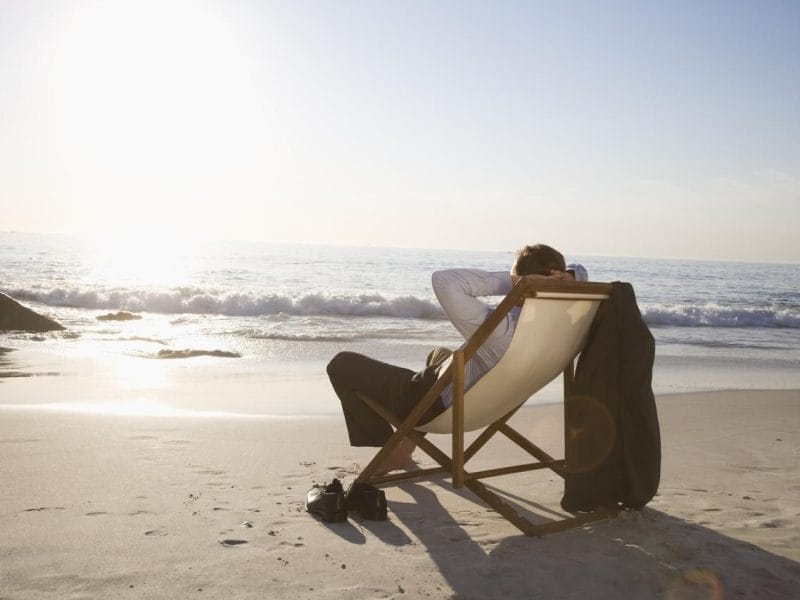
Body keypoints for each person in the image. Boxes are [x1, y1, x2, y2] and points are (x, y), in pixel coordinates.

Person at [326, 244, 588, 474]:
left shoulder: (502, 330)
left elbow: (444, 281)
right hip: (495, 403)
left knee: (341, 364)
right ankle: (407, 446)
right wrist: (562, 279)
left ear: (521, 282)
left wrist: (515, 282)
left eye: (514, 277)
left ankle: (390, 448)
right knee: (440, 354)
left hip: (436, 403)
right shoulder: (566, 327)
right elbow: (583, 273)